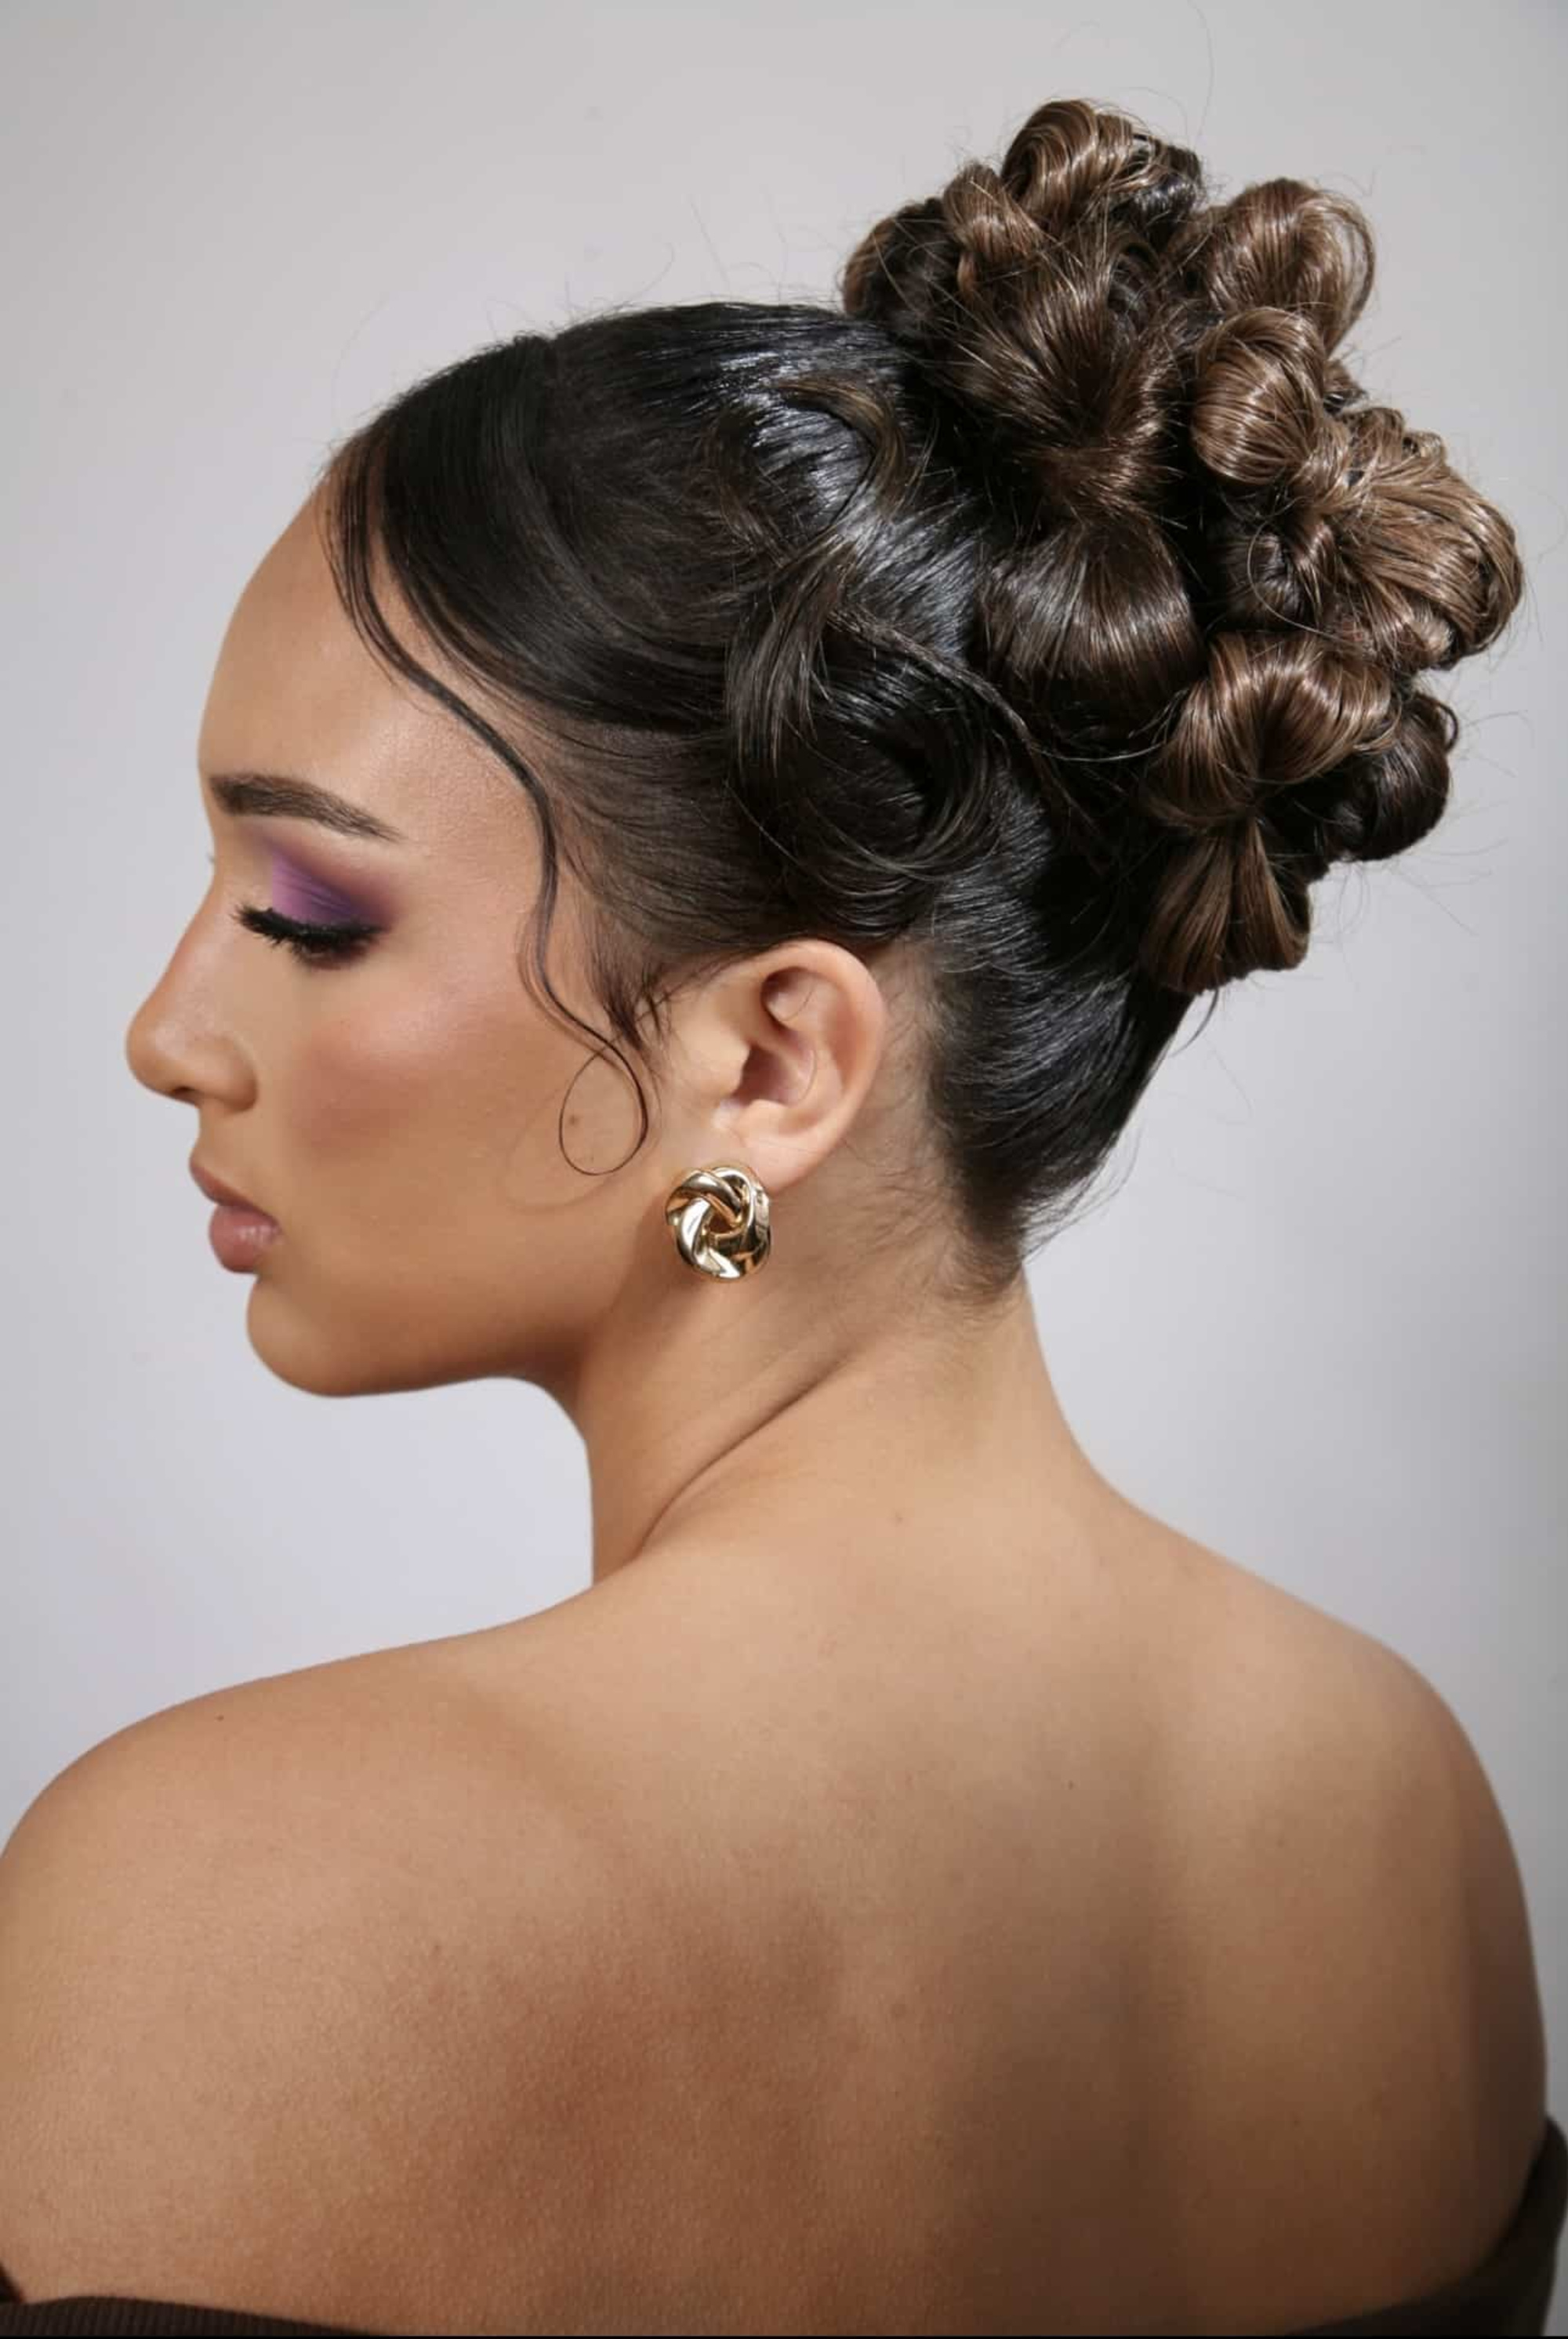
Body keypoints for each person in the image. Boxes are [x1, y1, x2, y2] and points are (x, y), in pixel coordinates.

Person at [1, 93, 1559, 2338]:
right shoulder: (1406, 1815)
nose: (170, 1028)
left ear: (770, 1067)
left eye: (307, 909)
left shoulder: (228, 1904)